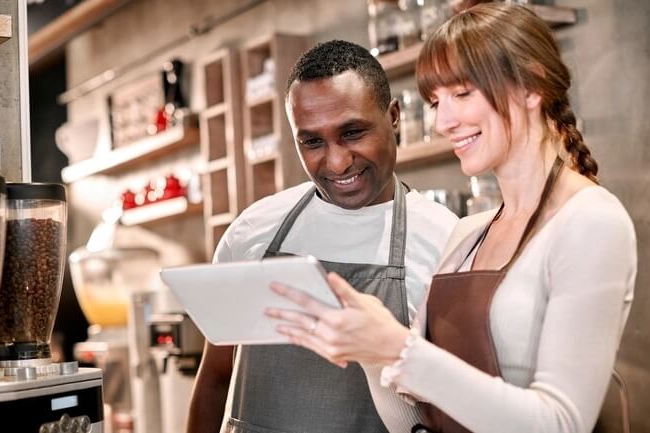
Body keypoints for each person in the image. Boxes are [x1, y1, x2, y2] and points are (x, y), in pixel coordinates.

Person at [266, 4, 637, 433]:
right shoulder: (466, 235)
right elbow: (418, 422)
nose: (443, 122)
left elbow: (559, 423)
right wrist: (373, 352)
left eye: (461, 94)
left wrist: (400, 349)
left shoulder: (591, 222)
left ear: (531, 87)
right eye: (435, 101)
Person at [185, 40, 458, 433]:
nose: (336, 161)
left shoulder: (443, 241)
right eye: (312, 141)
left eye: (352, 132)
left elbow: (449, 405)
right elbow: (213, 380)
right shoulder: (253, 232)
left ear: (394, 116)